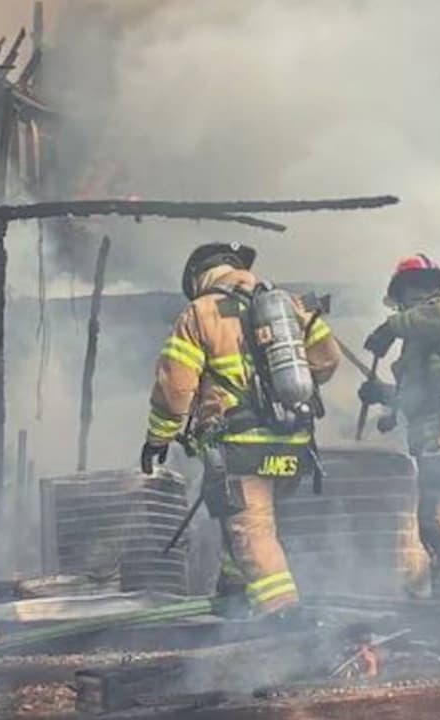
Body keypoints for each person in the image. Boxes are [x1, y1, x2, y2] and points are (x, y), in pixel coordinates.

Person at [140, 242, 340, 618]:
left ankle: (284, 617)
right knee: (248, 523)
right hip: (294, 443)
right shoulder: (289, 303)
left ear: (200, 276)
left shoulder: (201, 312)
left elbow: (175, 388)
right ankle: (234, 597)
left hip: (242, 447)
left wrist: (158, 437)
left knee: (252, 533)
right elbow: (327, 362)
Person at [358, 254, 440, 599]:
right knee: (434, 520)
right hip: (439, 434)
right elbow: (418, 396)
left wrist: (388, 328)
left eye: (403, 297)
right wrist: (384, 397)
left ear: (408, 290)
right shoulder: (421, 338)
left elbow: (433, 318)